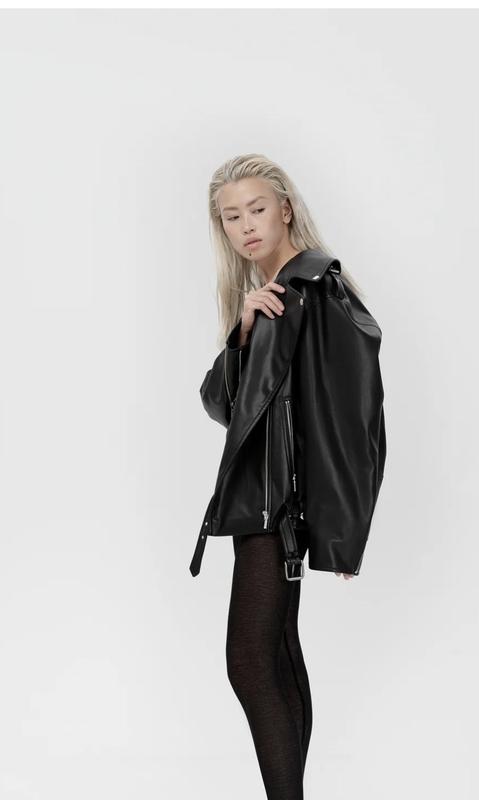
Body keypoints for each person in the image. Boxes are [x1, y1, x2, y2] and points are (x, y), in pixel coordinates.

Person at [195, 153, 385, 799]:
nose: (245, 225)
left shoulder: (313, 287)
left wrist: (341, 528)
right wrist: (243, 332)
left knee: (250, 662)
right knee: (274, 654)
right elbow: (223, 405)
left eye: (256, 209)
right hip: (265, 500)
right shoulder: (268, 299)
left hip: (281, 506)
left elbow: (351, 415)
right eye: (231, 216)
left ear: (284, 208)